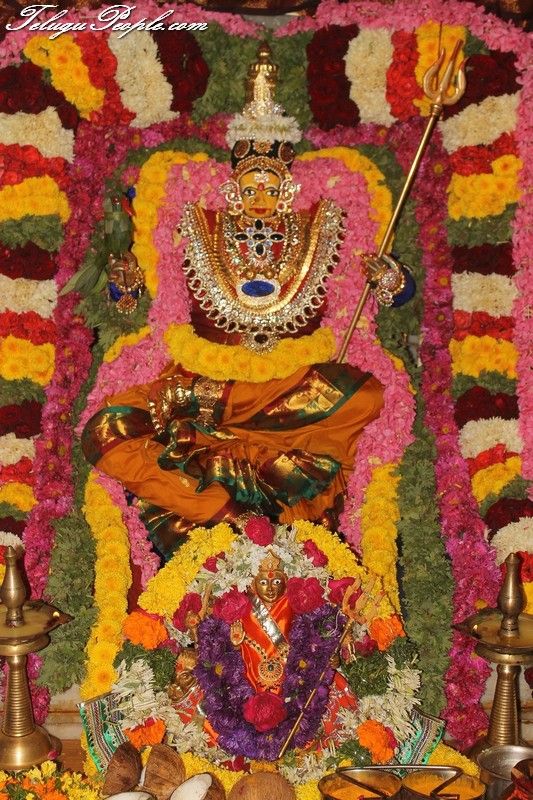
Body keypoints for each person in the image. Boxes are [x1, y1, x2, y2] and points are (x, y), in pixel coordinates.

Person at [81, 44, 414, 562]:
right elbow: (140, 301)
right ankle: (216, 507)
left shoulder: (323, 224)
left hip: (286, 393)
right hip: (196, 382)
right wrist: (123, 283)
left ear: (286, 189)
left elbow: (386, 293)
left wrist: (391, 279)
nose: (260, 197)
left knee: (367, 395)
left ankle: (229, 466)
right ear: (235, 187)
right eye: (251, 186)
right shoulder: (196, 223)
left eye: (270, 186)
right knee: (105, 430)